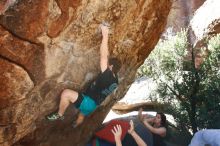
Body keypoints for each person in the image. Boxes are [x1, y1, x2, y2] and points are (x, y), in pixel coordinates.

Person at [46, 23, 121, 127]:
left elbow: (104, 56)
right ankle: (76, 125)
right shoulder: (115, 80)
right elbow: (107, 57)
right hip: (93, 105)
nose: (106, 65)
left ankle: (60, 114)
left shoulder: (107, 75)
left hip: (88, 101)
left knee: (66, 93)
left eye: (108, 65)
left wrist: (105, 34)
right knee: (81, 115)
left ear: (111, 67)